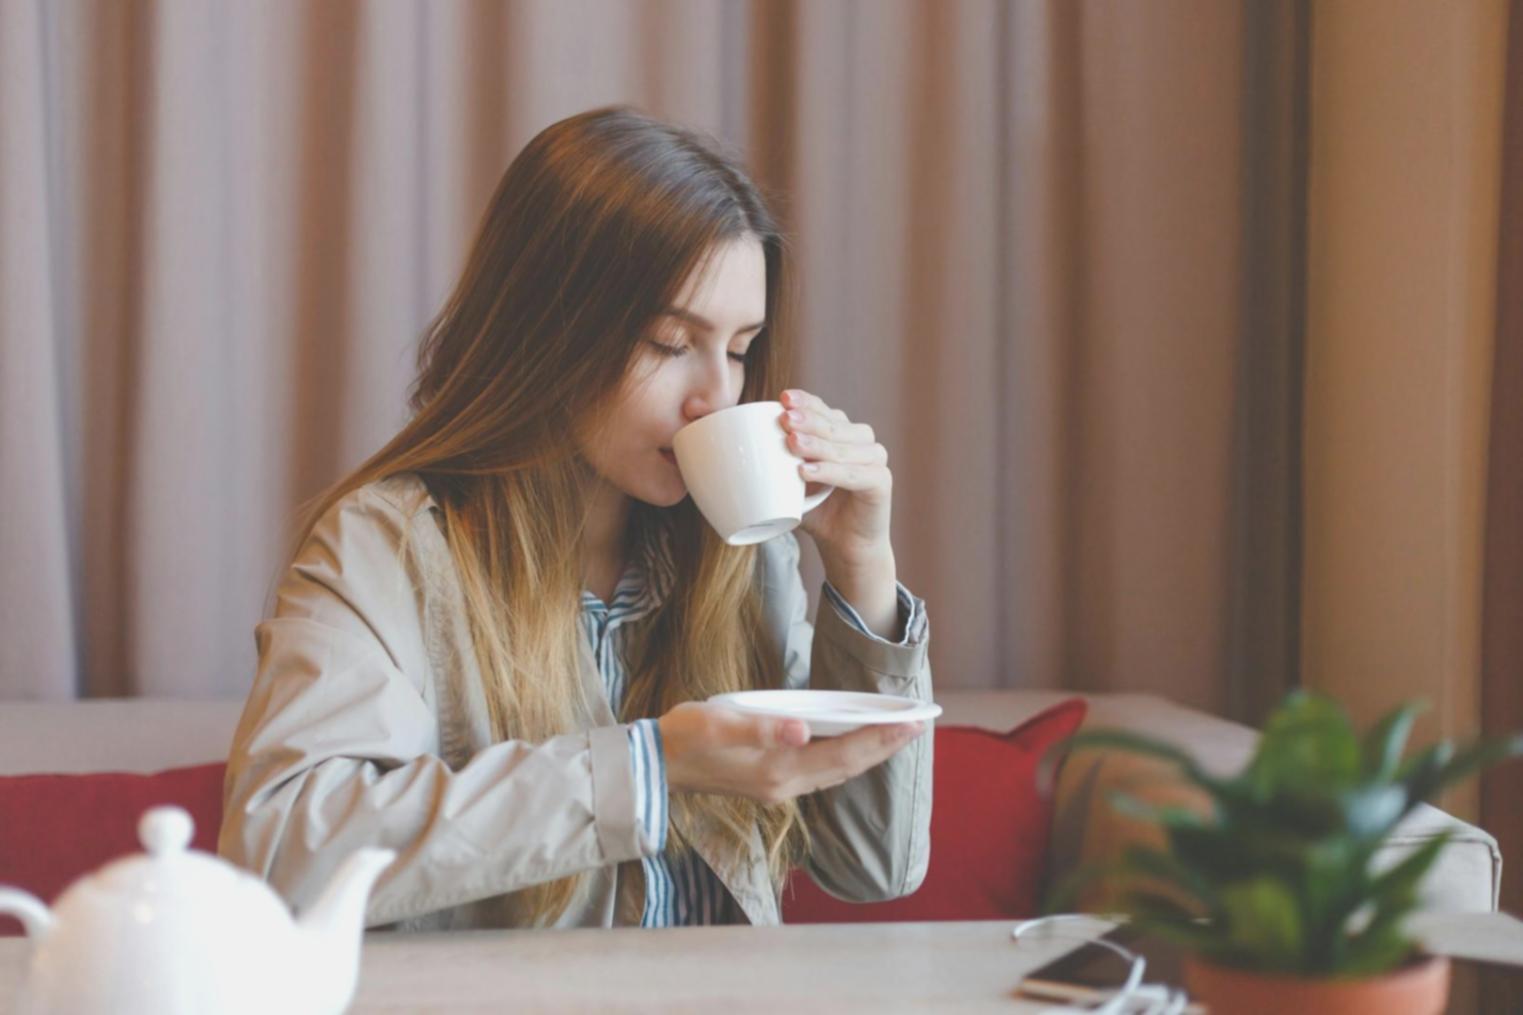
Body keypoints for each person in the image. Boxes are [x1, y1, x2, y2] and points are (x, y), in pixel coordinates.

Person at [218, 106, 933, 931]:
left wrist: (861, 570)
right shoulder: (390, 546)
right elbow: (278, 855)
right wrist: (651, 768)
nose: (717, 396)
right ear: (548, 333)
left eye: (738, 349)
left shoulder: (739, 557)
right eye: (670, 342)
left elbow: (873, 866)